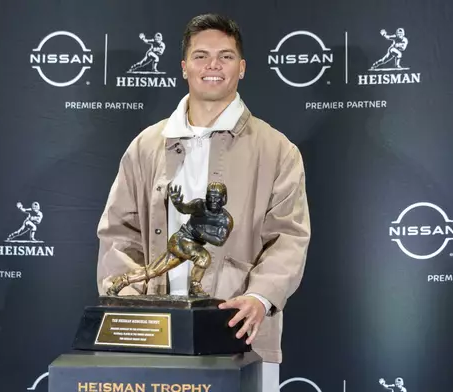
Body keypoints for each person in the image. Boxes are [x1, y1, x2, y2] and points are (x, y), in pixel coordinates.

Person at [96, 13, 311, 392]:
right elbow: (118, 231)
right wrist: (129, 305)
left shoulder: (278, 150)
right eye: (201, 56)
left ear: (242, 68)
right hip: (154, 336)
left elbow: (289, 237)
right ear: (184, 67)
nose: (213, 66)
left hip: (239, 332)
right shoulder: (145, 146)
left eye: (226, 57)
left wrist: (260, 297)